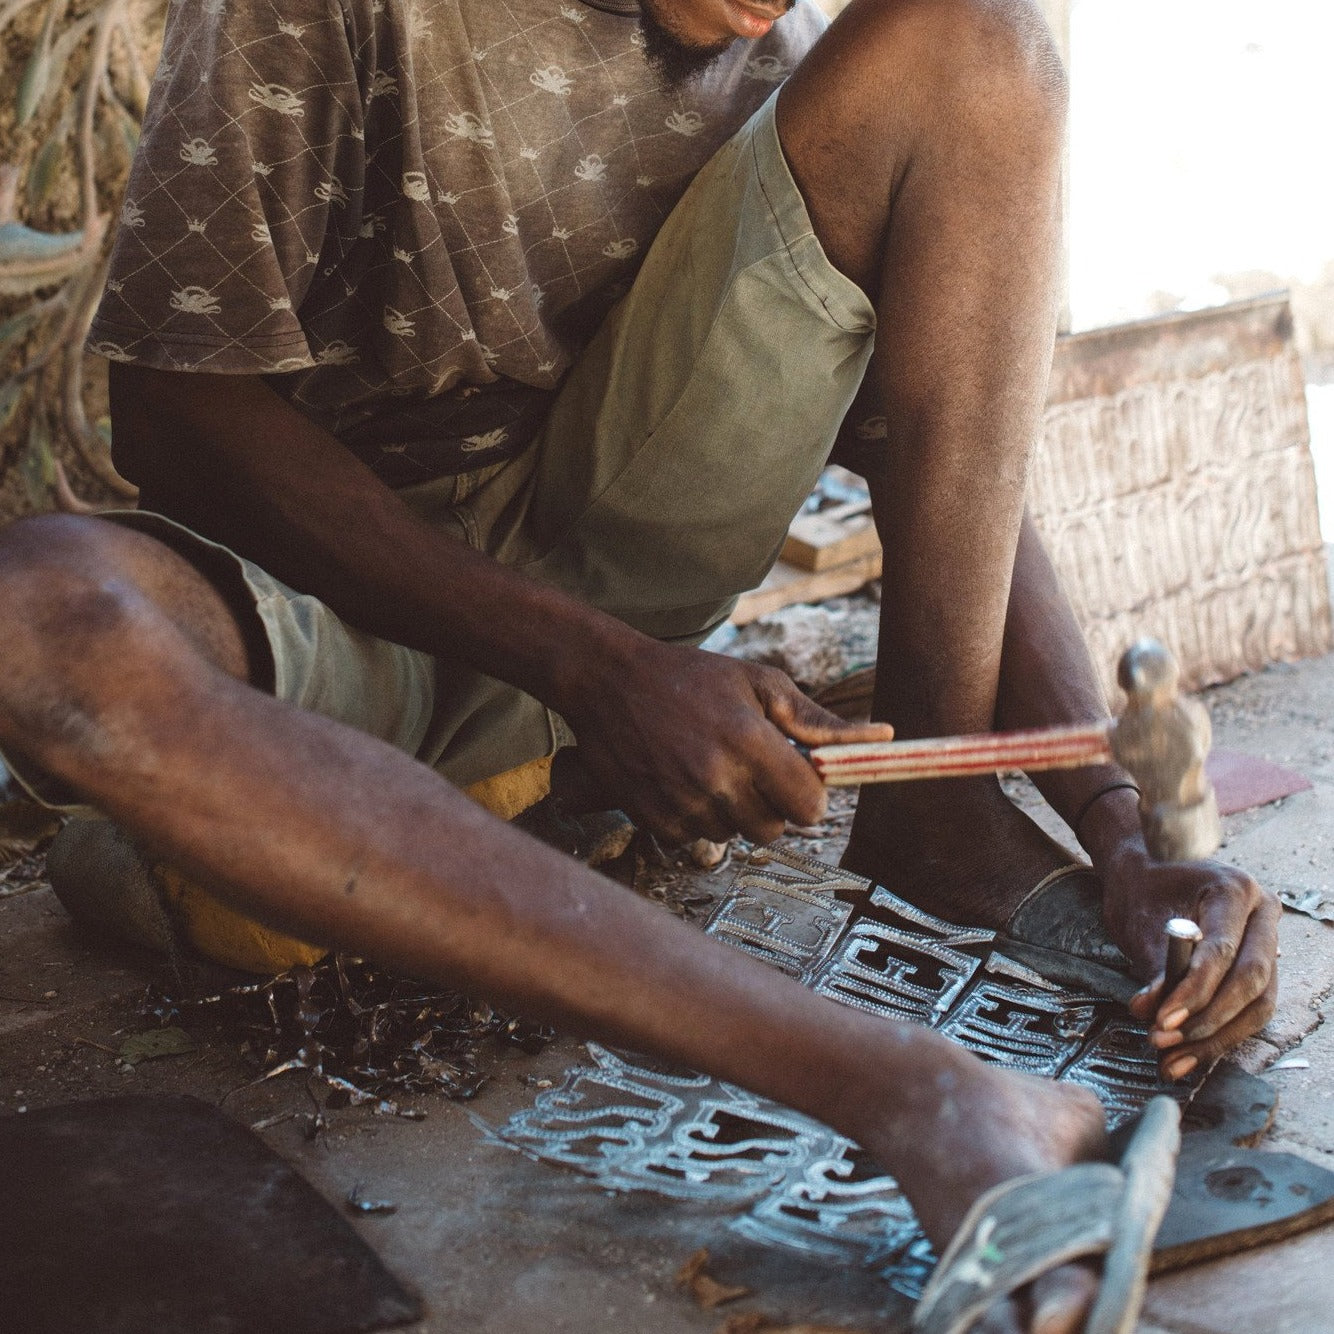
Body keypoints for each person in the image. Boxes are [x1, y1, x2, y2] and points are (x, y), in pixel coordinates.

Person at [0, 0, 1278, 1328]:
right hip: (330, 616)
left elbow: (930, 446)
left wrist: (1116, 828)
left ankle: (938, 815)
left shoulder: (771, 45)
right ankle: (914, 1091)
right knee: (36, 617)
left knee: (978, 43)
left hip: (609, 562)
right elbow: (175, 416)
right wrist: (593, 667)